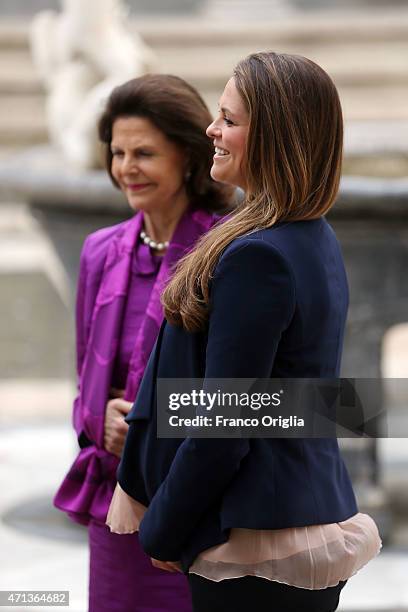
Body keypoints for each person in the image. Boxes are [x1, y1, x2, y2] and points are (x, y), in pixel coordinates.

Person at [107, 53, 382, 612]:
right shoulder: (307, 234)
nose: (212, 129)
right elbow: (295, 398)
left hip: (255, 538)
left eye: (229, 119)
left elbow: (227, 420)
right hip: (286, 515)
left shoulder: (260, 253)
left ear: (276, 135)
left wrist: (165, 526)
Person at [53, 73, 232, 612]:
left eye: (145, 153)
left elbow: (260, 396)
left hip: (202, 513)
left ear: (188, 155)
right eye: (118, 152)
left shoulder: (229, 250)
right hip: (117, 504)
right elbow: (86, 381)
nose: (127, 168)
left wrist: (153, 421)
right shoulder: (99, 251)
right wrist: (100, 415)